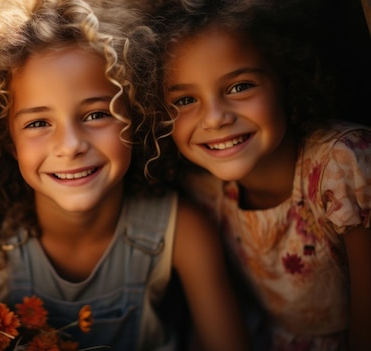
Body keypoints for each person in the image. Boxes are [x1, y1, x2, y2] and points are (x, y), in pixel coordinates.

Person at [0, 0, 252, 349]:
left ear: (137, 117)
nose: (70, 146)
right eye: (39, 123)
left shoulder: (181, 231)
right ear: (9, 141)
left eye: (96, 115)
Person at [154, 0, 371, 350]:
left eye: (240, 87)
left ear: (286, 78)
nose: (214, 118)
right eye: (184, 101)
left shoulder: (345, 164)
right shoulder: (202, 190)